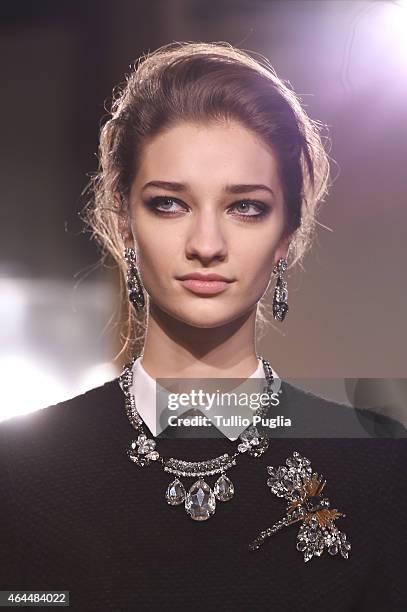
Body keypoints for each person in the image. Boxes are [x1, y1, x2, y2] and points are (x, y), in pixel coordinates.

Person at [1, 41, 406, 612]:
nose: (207, 246)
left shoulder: (383, 468)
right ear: (123, 225)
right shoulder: (19, 475)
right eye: (170, 203)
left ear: (286, 235)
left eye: (246, 207)